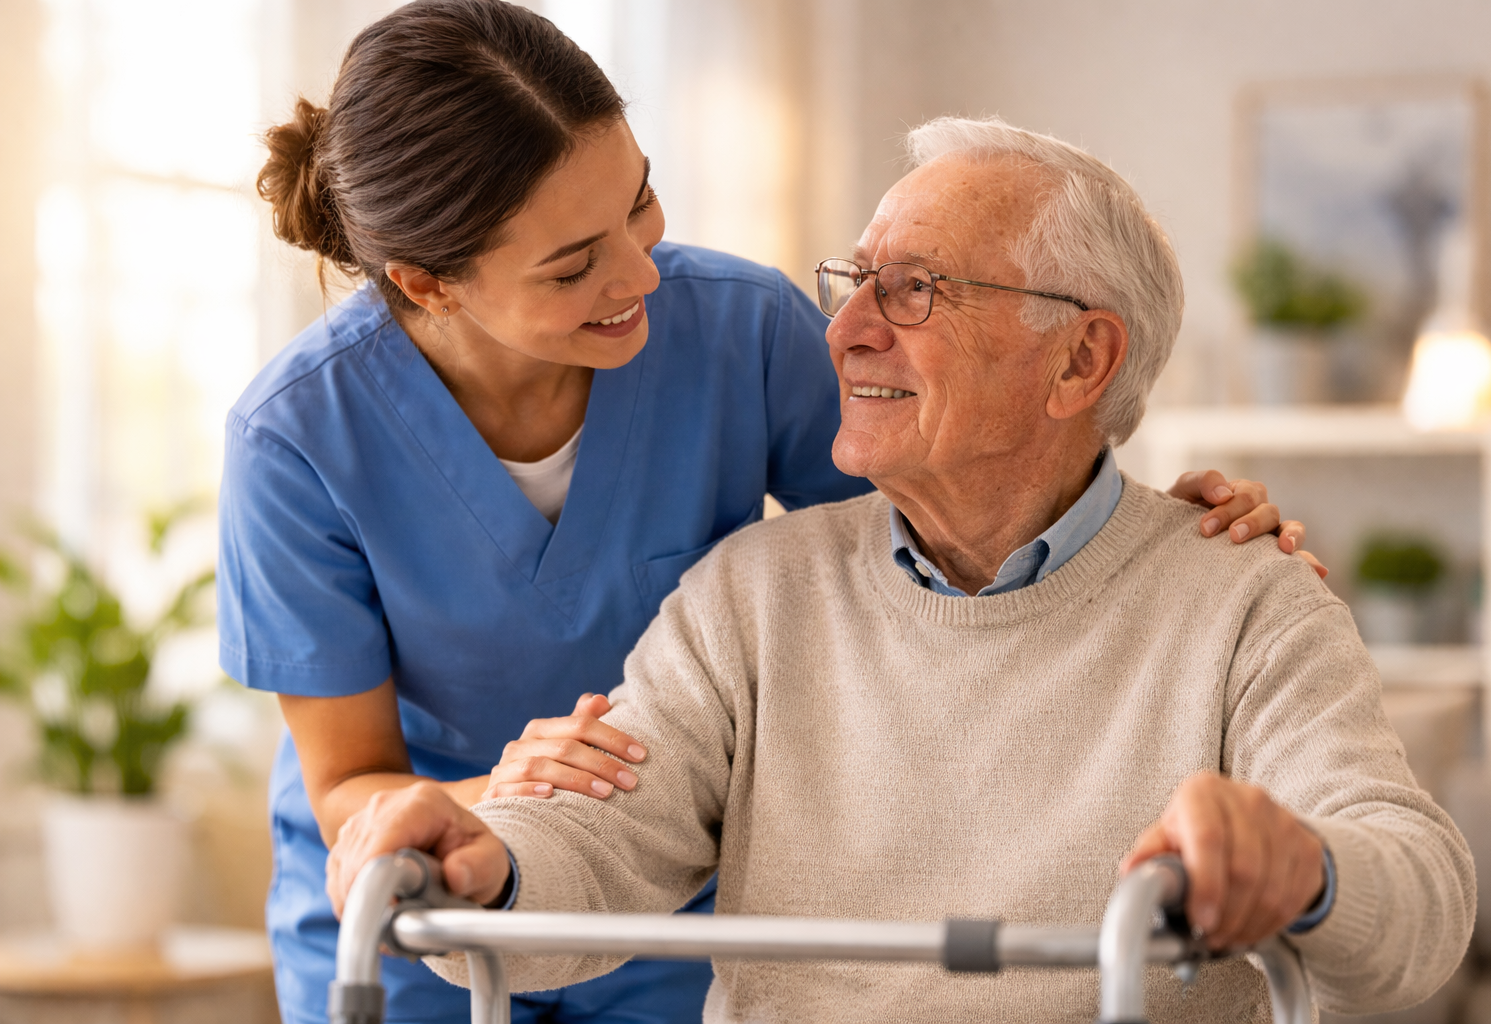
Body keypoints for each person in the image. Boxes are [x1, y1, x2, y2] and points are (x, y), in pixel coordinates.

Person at [223, 3, 1320, 1022]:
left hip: (671, 879)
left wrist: (1141, 526)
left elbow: (955, 529)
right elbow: (350, 782)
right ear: (429, 285)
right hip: (422, 887)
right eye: (573, 267)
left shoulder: (739, 330)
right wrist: (506, 814)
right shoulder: (297, 437)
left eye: (638, 201)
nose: (639, 272)